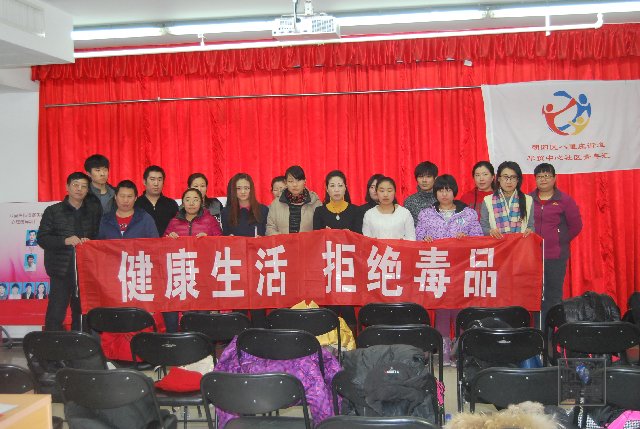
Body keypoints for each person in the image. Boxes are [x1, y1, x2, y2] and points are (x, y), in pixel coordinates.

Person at [415, 175, 483, 363]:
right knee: (442, 311)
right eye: (440, 190)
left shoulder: (468, 214)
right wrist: (425, 240)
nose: (444, 194)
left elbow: (479, 239)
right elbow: (417, 239)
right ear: (435, 193)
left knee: (461, 311)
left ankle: (460, 354)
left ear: (454, 192)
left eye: (448, 190)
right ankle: (444, 354)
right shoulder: (426, 214)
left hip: (462, 269)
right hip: (438, 269)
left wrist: (467, 239)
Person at [38, 172, 102, 331]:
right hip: (61, 270)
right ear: (67, 187)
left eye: (84, 186)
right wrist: (65, 241)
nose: (79, 189)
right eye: (75, 185)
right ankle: (52, 344)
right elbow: (42, 239)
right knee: (56, 311)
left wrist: (90, 242)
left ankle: (81, 343)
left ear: (88, 190)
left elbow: (99, 237)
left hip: (85, 271)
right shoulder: (53, 211)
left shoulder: (92, 212)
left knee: (82, 312)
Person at [530, 163, 583, 325]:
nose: (543, 179)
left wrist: (559, 239)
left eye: (547, 176)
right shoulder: (528, 199)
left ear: (554, 178)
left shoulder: (564, 200)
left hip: (555, 257)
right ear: (535, 179)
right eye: (540, 176)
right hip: (532, 257)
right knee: (533, 296)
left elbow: (576, 226)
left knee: (553, 296)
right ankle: (536, 333)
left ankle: (552, 335)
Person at [222, 173, 269, 327]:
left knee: (258, 309)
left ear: (251, 190)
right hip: (237, 266)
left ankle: (260, 337)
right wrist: (228, 239)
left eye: (246, 188)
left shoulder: (262, 210)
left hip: (257, 266)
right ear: (233, 191)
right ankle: (238, 339)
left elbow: (269, 237)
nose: (243, 192)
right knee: (239, 308)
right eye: (239, 188)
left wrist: (262, 240)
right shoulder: (226, 212)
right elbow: (223, 238)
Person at [480, 161, 534, 239]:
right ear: (499, 179)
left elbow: (531, 226)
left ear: (518, 179)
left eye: (513, 177)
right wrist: (490, 231)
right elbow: (483, 227)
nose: (509, 181)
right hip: (497, 244)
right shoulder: (488, 200)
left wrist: (530, 230)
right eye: (505, 177)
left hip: (520, 244)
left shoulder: (528, 200)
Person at [266, 165, 322, 235]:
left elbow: (320, 230)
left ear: (305, 181)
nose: (295, 184)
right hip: (283, 241)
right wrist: (281, 238)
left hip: (308, 242)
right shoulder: (276, 204)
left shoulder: (315, 203)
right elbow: (270, 228)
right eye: (290, 181)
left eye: (298, 180)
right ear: (286, 182)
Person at [134, 165, 179, 236]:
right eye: (152, 179)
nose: (156, 183)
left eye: (159, 180)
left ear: (163, 182)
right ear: (144, 182)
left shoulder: (171, 204)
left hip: (167, 242)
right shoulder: (136, 204)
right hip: (142, 243)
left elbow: (178, 227)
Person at [404, 161, 439, 226]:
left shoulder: (442, 199)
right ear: (416, 179)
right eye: (420, 176)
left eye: (428, 176)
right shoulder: (410, 201)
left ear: (435, 178)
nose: (424, 180)